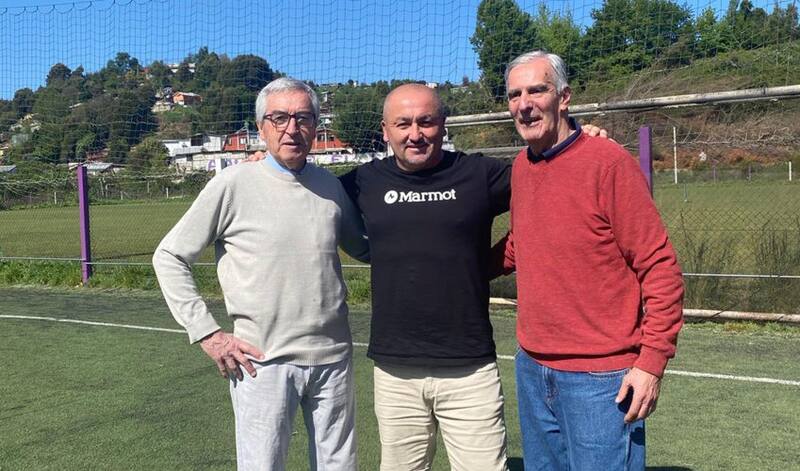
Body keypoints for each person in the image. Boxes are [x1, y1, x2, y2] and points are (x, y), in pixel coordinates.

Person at [152, 77, 369, 471]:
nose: (292, 128)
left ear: (316, 124)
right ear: (261, 127)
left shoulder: (330, 186)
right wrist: (208, 334)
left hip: (333, 357)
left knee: (339, 466)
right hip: (261, 362)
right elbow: (169, 256)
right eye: (280, 117)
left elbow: (366, 248)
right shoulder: (233, 183)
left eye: (303, 117)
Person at [492, 51, 685, 470]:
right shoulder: (522, 168)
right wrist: (454, 266)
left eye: (537, 90)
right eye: (514, 94)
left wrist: (651, 363)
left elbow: (660, 267)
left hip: (602, 380)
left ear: (564, 97)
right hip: (532, 368)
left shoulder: (608, 163)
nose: (524, 104)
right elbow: (518, 244)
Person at [339, 83, 511, 471]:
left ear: (443, 125)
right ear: (386, 130)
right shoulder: (362, 182)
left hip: (470, 369)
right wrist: (262, 164)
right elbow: (301, 191)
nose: (415, 134)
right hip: (395, 371)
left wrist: (583, 138)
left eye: (426, 122)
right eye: (403, 123)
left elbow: (550, 179)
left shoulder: (478, 173)